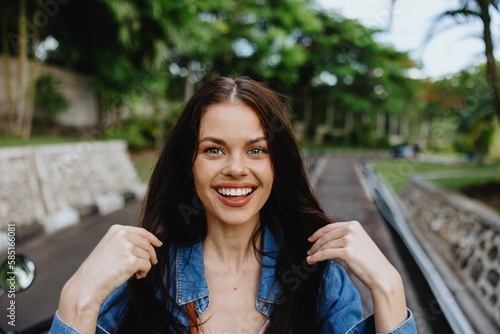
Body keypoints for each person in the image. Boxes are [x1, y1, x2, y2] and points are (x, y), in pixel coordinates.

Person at [50, 76, 417, 333]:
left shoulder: (318, 275)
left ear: (278, 164)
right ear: (188, 164)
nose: (237, 169)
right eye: (214, 150)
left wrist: (389, 288)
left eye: (257, 150)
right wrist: (78, 298)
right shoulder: (143, 274)